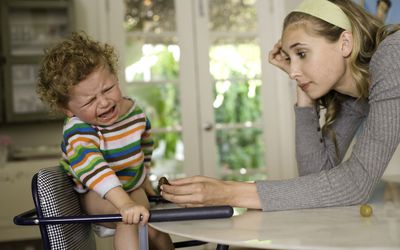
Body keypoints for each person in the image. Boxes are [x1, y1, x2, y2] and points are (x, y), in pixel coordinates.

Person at [160, 0, 400, 212]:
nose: (293, 72)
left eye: (302, 54)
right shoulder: (354, 96)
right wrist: (305, 94)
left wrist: (228, 193)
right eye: (289, 58)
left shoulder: (392, 56)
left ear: (345, 43)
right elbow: (317, 178)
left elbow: (356, 184)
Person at [36, 32, 174, 250]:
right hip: (98, 193)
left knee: (156, 230)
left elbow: (144, 145)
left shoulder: (134, 113)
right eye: (90, 100)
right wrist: (124, 203)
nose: (104, 102)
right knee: (127, 221)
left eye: (108, 89)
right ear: (68, 110)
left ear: (115, 78)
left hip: (131, 184)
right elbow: (94, 170)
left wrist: (144, 177)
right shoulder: (79, 131)